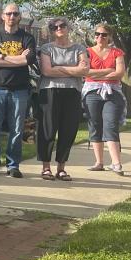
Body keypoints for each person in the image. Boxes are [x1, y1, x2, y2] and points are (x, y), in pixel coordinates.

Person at [0, 3, 37, 177]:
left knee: (17, 129)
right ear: (2, 16)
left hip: (19, 90)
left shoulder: (27, 37)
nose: (11, 17)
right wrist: (17, 57)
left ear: (19, 16)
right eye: (8, 13)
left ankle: (13, 165)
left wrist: (2, 57)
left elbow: (27, 60)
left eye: (15, 13)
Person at [37, 18, 88, 181]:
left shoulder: (79, 48)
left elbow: (84, 70)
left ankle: (61, 168)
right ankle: (46, 167)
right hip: (50, 91)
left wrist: (58, 68)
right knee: (48, 129)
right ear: (51, 31)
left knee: (68, 130)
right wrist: (73, 70)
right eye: (54, 27)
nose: (59, 28)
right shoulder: (47, 48)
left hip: (72, 92)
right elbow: (46, 71)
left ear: (68, 28)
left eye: (62, 25)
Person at [83, 23, 126, 175]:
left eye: (104, 34)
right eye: (97, 34)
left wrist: (96, 74)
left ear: (110, 37)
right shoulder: (86, 52)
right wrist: (109, 70)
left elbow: (120, 73)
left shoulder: (117, 52)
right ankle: (99, 162)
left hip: (112, 92)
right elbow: (85, 72)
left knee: (110, 125)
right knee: (94, 125)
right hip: (91, 93)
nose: (100, 37)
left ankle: (116, 163)